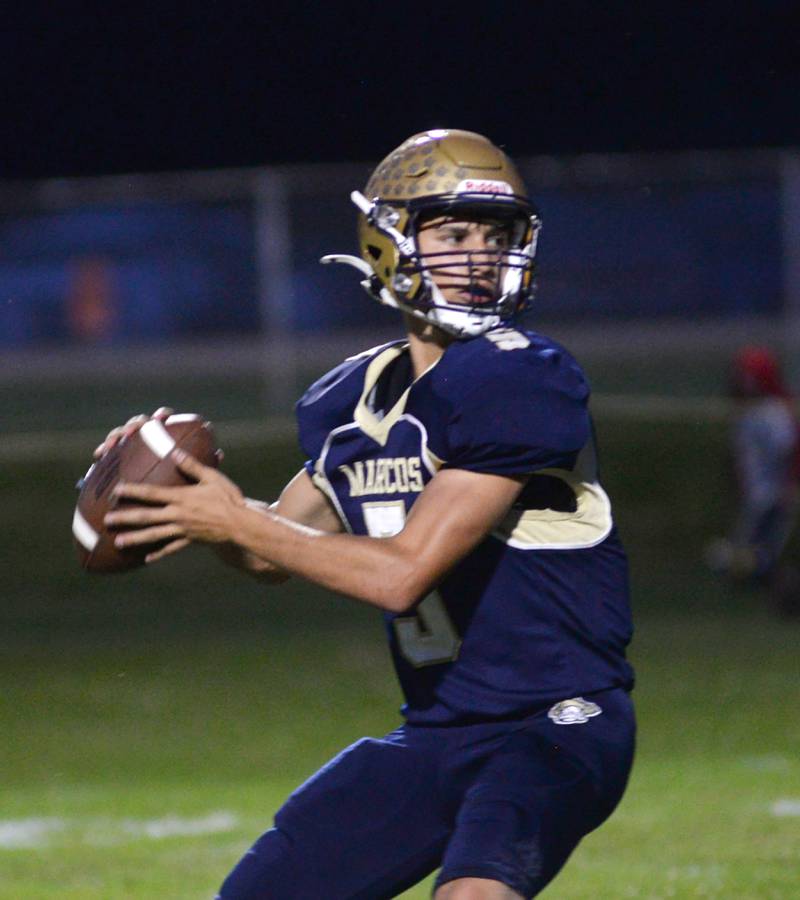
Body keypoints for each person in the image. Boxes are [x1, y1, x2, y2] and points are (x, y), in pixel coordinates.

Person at [99, 129, 636, 899]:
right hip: (436, 736)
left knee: (474, 894)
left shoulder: (521, 376)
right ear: (389, 243)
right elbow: (269, 548)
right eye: (453, 234)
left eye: (497, 236)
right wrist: (186, 495)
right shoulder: (351, 398)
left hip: (555, 723)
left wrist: (236, 520)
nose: (481, 257)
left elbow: (401, 575)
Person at [705, 345, 799, 614]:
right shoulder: (747, 411)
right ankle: (774, 601)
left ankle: (785, 600)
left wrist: (788, 487)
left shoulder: (771, 412)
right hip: (755, 496)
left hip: (770, 496)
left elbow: (788, 450)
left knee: (747, 558)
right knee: (750, 556)